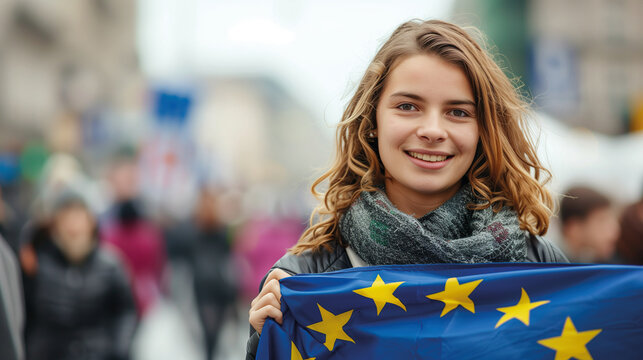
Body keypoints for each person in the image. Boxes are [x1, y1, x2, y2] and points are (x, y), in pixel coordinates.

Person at [245, 19, 568, 358]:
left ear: (483, 132)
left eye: (457, 112)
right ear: (372, 121)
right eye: (408, 106)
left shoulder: (540, 266)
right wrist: (261, 342)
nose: (432, 130)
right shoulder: (303, 279)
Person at [20, 190, 137, 360]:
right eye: (66, 218)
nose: (73, 226)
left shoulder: (111, 265)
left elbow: (125, 312)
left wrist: (119, 349)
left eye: (79, 217)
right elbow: (25, 315)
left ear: (91, 222)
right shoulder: (37, 265)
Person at [559, 186, 620, 263]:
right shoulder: (551, 266)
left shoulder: (588, 261)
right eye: (602, 220)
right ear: (573, 228)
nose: (615, 230)